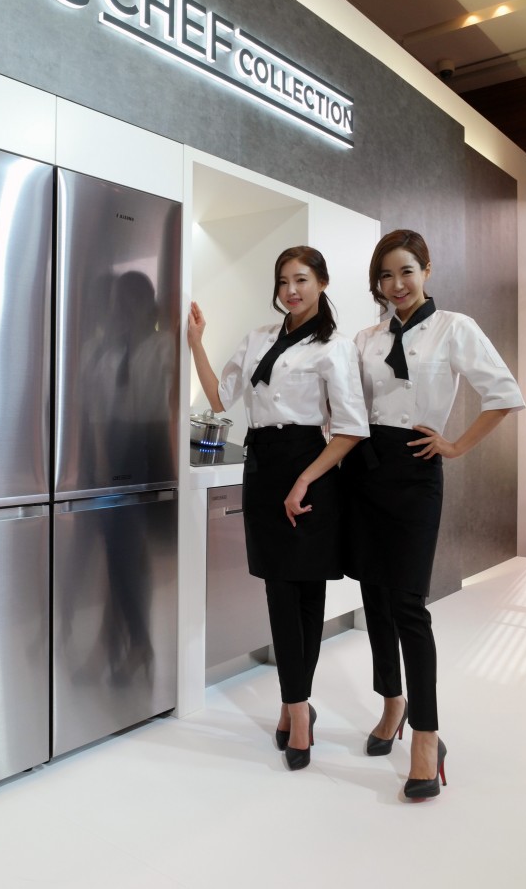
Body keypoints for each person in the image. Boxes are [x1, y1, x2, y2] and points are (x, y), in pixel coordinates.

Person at [343, 228, 525, 800]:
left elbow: (504, 394)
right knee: (374, 597)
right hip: (365, 471)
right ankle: (391, 702)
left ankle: (427, 734)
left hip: (417, 471)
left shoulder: (455, 328)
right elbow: (349, 405)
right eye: (385, 275)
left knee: (408, 605)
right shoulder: (366, 338)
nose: (396, 284)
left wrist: (455, 445)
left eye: (406, 271)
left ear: (426, 270)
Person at [188, 246, 369, 770]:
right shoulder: (259, 338)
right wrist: (196, 342)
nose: (291, 290)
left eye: (302, 279)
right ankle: (298, 704)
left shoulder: (335, 347)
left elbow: (352, 428)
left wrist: (305, 480)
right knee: (279, 591)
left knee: (305, 593)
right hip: (264, 465)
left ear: (322, 282)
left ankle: (297, 709)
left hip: (309, 465)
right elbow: (220, 398)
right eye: (284, 281)